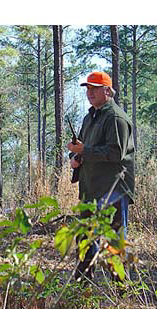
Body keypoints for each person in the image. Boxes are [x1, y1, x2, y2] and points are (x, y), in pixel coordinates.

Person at [67, 71, 135, 281]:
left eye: (95, 88)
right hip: (91, 189)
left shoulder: (115, 117)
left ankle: (121, 291)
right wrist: (75, 157)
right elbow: (84, 147)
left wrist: (83, 151)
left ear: (108, 90)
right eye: (88, 89)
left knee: (115, 241)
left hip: (113, 190)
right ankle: (82, 287)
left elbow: (115, 153)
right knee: (85, 239)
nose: (90, 93)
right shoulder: (90, 117)